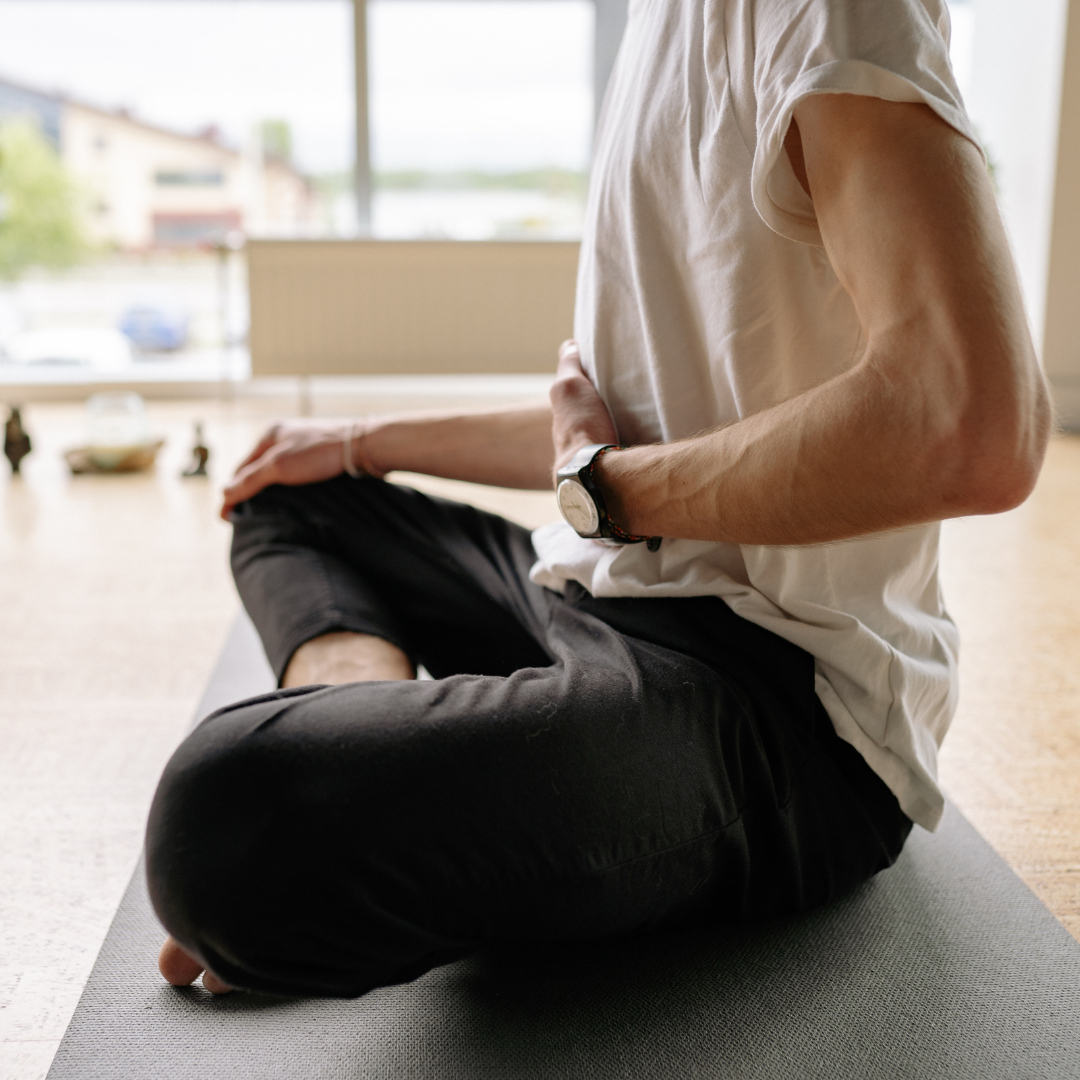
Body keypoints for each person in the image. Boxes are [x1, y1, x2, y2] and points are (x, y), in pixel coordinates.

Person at [148, 0, 1050, 999]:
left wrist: (603, 489)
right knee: (292, 495)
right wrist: (360, 442)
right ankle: (371, 738)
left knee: (219, 816)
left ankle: (365, 803)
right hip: (599, 594)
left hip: (783, 707)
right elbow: (618, 440)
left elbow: (970, 425)